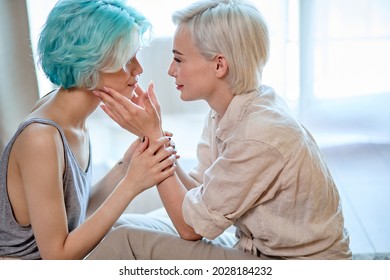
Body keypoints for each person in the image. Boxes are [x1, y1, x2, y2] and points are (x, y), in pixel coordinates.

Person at [92, 0, 352, 260]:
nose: (171, 70)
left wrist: (153, 137)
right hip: (254, 246)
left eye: (178, 59)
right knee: (121, 225)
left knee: (127, 240)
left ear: (219, 65)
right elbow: (200, 192)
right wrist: (155, 135)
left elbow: (190, 228)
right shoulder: (226, 109)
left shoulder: (258, 134)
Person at [0, 0, 177, 260]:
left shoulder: (72, 116)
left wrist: (124, 167)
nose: (138, 69)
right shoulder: (41, 138)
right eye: (127, 60)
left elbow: (73, 212)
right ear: (90, 62)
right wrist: (132, 184)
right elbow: (57, 258)